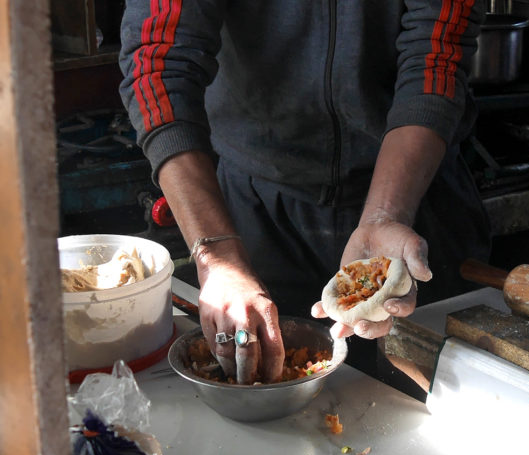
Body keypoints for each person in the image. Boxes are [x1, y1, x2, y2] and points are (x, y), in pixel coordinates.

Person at [119, 1, 491, 386]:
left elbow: (435, 63)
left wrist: (386, 213)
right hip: (253, 216)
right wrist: (218, 257)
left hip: (414, 200)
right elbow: (157, 68)